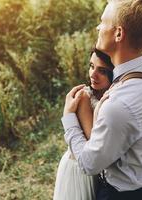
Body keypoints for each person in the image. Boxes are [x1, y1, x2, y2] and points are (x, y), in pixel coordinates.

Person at [61, 0, 142, 200]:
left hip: (116, 194)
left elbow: (89, 163)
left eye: (103, 22)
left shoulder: (118, 105)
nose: (98, 27)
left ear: (118, 33)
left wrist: (68, 119)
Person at [53, 48, 114, 200]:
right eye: (91, 66)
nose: (93, 74)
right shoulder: (84, 97)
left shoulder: (113, 95)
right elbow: (94, 141)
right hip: (79, 170)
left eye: (102, 70)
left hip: (97, 171)